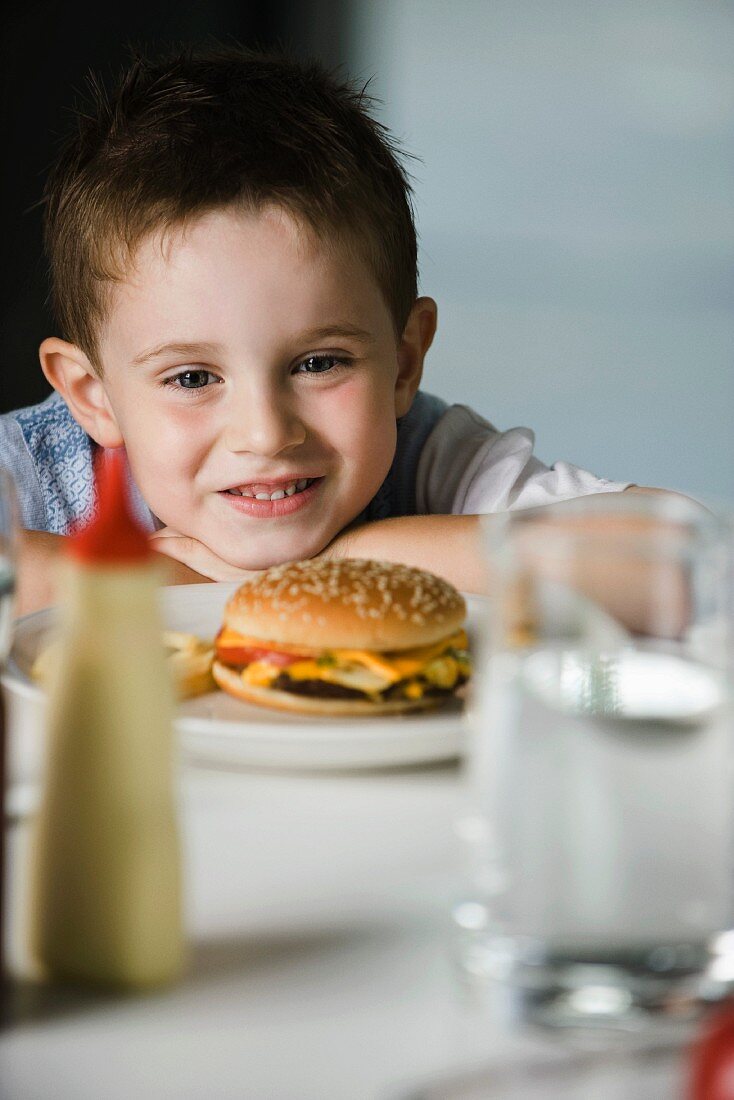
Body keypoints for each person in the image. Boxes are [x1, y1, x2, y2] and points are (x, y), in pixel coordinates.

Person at [2, 44, 646, 616]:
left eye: (318, 363)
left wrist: (348, 571)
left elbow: (679, 557)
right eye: (193, 377)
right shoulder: (38, 469)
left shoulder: (428, 457)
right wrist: (166, 585)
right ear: (93, 396)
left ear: (402, 362)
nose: (266, 432)